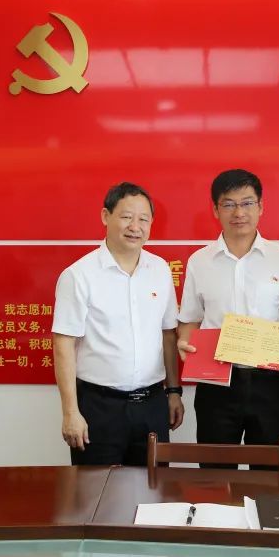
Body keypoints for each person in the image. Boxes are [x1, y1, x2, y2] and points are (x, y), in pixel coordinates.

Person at [177, 169, 279, 461]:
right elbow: (189, 320)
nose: (239, 212)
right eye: (229, 204)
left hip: (270, 383)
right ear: (215, 209)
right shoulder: (199, 261)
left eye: (247, 203)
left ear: (261, 206)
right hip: (216, 382)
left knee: (269, 474)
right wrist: (185, 345)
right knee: (214, 472)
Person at [52, 182, 184, 466]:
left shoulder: (160, 270)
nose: (135, 226)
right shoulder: (79, 275)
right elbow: (63, 344)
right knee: (95, 490)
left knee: (154, 488)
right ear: (105, 216)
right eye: (126, 217)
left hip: (152, 405)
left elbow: (168, 334)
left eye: (143, 219)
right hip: (99, 408)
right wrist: (70, 412)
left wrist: (173, 392)